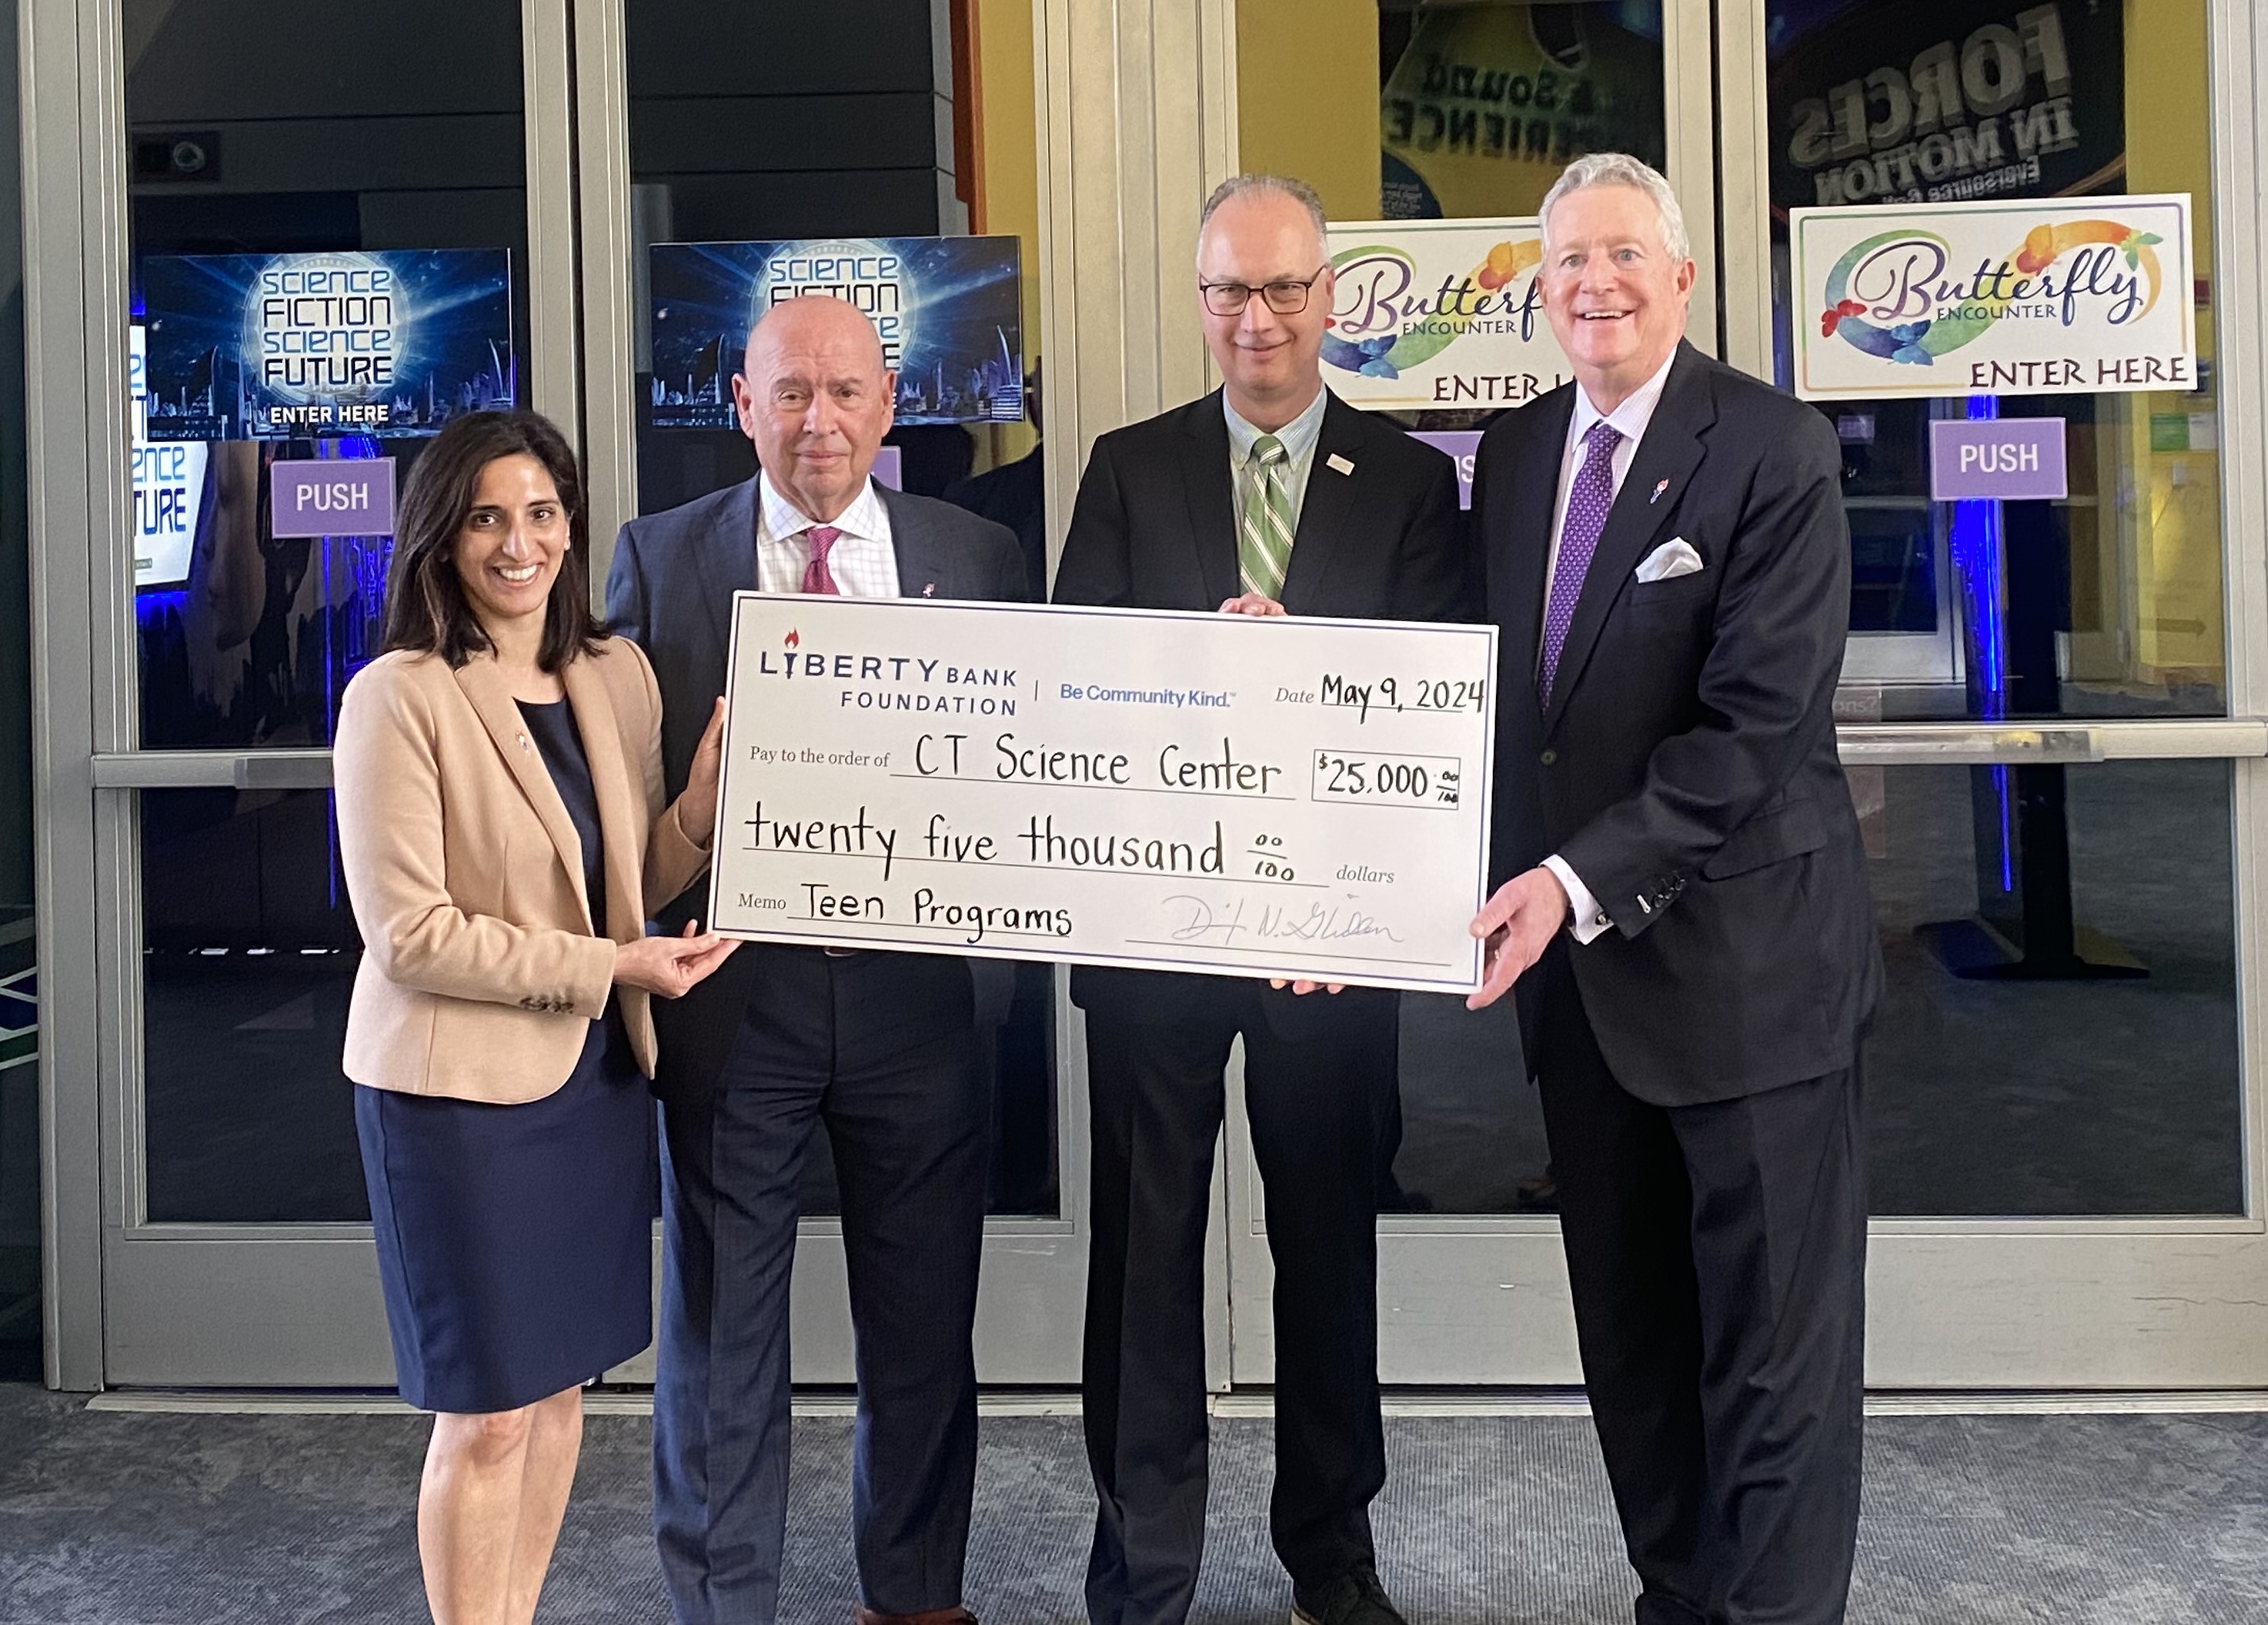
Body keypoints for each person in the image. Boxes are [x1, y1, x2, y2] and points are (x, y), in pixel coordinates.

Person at [1464, 152, 1882, 1625]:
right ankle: (1676, 1599)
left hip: (1750, 983)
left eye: (1626, 254)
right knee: (1631, 1344)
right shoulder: (1514, 458)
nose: (1596, 283)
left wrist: (1570, 879)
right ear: (1539, 284)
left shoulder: (1771, 449)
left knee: (1769, 1359)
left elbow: (1753, 733)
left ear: (1683, 278)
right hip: (1584, 1000)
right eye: (1569, 257)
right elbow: (1491, 696)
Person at [1051, 174, 1466, 1625]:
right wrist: (1199, 660)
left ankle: (1330, 1558)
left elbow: (1436, 716)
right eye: (1229, 289)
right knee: (1144, 1256)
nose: (1258, 317)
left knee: (1327, 1253)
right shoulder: (1127, 465)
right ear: (1199, 300)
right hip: (1159, 943)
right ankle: (1143, 1562)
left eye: (1284, 288)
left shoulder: (1412, 482)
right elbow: (1074, 686)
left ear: (1330, 301)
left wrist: (1309, 661)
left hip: (1330, 952)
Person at [606, 294, 1025, 1625]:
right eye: (788, 392)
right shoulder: (661, 560)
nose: (818, 420)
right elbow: (619, 801)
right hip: (739, 996)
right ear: (742, 406)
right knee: (723, 1338)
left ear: (889, 403)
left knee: (921, 1327)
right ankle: (726, 1607)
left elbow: (1045, 764)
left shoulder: (980, 553)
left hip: (919, 1000)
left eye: (844, 391)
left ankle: (914, 1598)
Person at [334, 409, 737, 1625]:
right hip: (457, 1100)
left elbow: (635, 883)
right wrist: (616, 962)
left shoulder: (613, 673)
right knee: (490, 1410)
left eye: (544, 513)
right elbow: (410, 934)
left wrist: (704, 812)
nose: (520, 543)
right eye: (487, 518)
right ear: (442, 539)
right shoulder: (395, 696)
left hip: (596, 1087)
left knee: (559, 1395)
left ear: (572, 523)